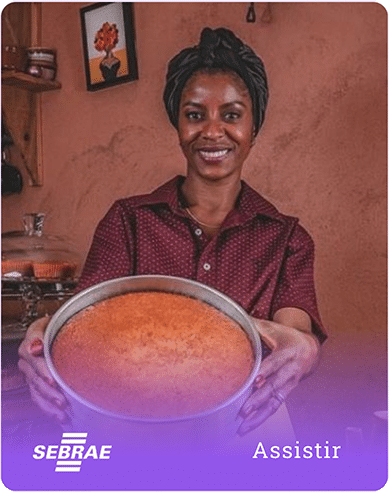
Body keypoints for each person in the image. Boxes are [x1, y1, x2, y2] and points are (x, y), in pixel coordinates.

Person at [18, 27, 326, 439]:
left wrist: (304, 349)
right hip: (131, 426)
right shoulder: (128, 221)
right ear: (177, 123)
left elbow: (292, 336)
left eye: (232, 115)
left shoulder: (287, 239)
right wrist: (47, 335)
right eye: (195, 114)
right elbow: (85, 327)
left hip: (247, 431)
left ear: (255, 125)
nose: (212, 131)